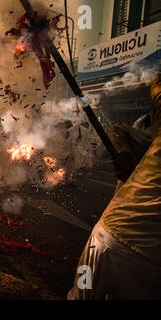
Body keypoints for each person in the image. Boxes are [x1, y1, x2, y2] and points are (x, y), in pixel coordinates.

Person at [68, 75, 161, 300]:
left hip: (105, 240)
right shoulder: (151, 139)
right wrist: (124, 154)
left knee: (79, 294)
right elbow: (119, 131)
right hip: (117, 244)